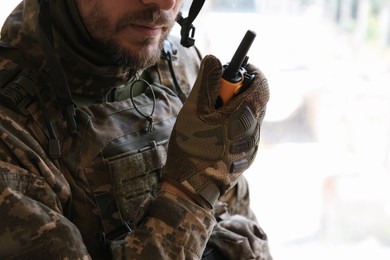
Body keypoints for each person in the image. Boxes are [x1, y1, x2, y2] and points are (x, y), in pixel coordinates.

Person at [0, 0, 271, 259]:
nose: (166, 3)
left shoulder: (178, 64)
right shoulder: (10, 128)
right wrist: (189, 192)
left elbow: (236, 212)